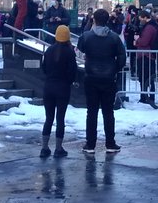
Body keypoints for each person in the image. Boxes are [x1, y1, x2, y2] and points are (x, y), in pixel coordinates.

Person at [76, 9, 126, 154]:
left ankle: (90, 144)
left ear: (94, 20)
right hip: (109, 78)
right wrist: (114, 69)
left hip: (91, 77)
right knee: (108, 112)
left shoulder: (86, 36)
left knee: (91, 112)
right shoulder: (114, 38)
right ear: (107, 20)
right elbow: (122, 57)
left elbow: (79, 51)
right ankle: (110, 143)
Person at [39, 25, 77, 158]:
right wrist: (69, 81)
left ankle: (44, 148)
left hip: (48, 87)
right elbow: (72, 72)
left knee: (48, 118)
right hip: (63, 88)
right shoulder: (69, 52)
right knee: (60, 118)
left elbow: (43, 68)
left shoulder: (49, 50)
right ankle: (58, 148)